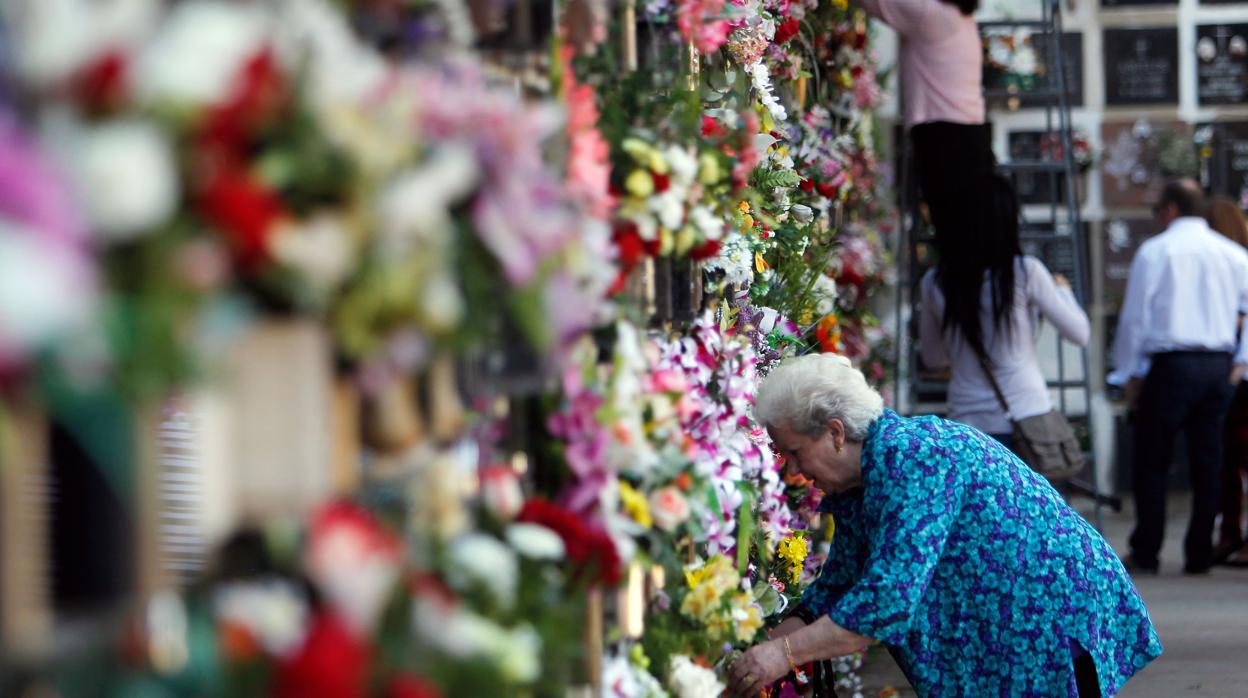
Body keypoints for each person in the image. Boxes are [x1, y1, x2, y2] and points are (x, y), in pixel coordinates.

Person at [727, 353, 1161, 697]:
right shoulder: (864, 479)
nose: (793, 472)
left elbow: (886, 602)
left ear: (835, 433)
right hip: (1009, 627)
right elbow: (842, 584)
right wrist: (767, 649)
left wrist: (782, 654)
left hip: (1048, 618)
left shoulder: (915, 459)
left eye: (795, 452)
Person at [1111, 180, 1248, 575]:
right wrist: (1239, 362)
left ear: (1170, 210)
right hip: (1217, 364)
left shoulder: (1156, 252)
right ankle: (1199, 552)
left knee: (1152, 459)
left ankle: (1147, 549)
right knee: (1210, 461)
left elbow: (1135, 319)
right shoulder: (1233, 254)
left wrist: (1128, 373)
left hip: (1171, 365)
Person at [918, 174, 1090, 450]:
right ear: (1008, 220)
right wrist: (1063, 291)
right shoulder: (1024, 272)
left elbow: (933, 358)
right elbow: (1080, 334)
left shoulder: (935, 281)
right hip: (1026, 415)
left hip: (967, 424)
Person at [852, 0, 992, 225]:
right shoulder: (959, 17)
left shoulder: (931, 14)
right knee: (967, 231)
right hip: (967, 136)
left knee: (957, 232)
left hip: (947, 137)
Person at [1205, 196, 1248, 565]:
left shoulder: (1229, 262)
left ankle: (1232, 534)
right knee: (1231, 458)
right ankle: (1230, 534)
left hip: (1238, 375)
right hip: (1234, 374)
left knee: (1232, 458)